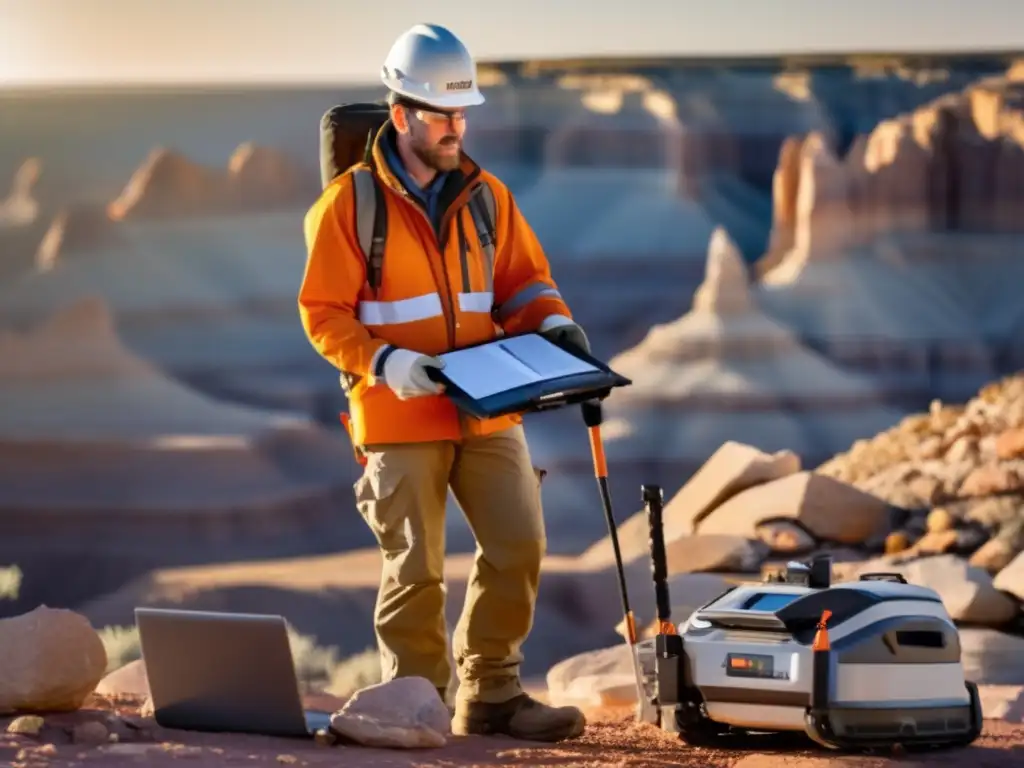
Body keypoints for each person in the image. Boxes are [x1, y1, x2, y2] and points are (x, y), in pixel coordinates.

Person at [297, 22, 591, 742]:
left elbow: (525, 283)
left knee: (518, 543)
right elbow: (323, 314)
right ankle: (417, 702)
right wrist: (390, 363)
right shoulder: (349, 204)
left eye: (464, 112)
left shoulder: (486, 197)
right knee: (416, 567)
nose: (458, 127)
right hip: (399, 411)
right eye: (443, 114)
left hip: (487, 408)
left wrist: (554, 326)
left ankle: (491, 693)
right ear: (402, 115)